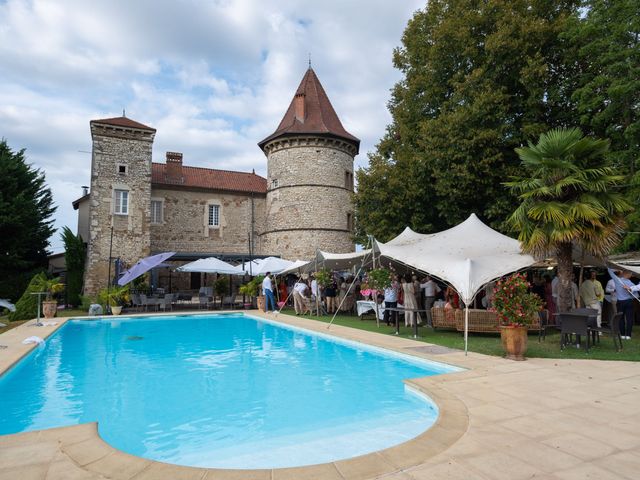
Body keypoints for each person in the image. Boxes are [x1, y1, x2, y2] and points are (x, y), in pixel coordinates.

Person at [618, 270, 638, 339]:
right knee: (629, 319)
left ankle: (622, 335)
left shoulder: (617, 281)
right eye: (630, 274)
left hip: (620, 302)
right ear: (628, 275)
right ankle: (628, 335)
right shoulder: (631, 283)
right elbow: (636, 295)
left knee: (621, 318)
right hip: (629, 301)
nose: (631, 276)